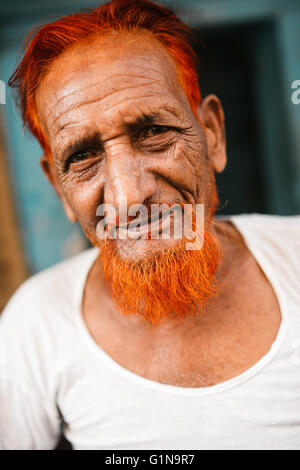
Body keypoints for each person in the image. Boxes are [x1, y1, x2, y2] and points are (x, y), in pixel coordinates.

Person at [0, 0, 299, 450]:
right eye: (82, 156)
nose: (129, 196)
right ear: (59, 189)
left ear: (212, 134)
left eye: (155, 131)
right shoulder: (35, 325)